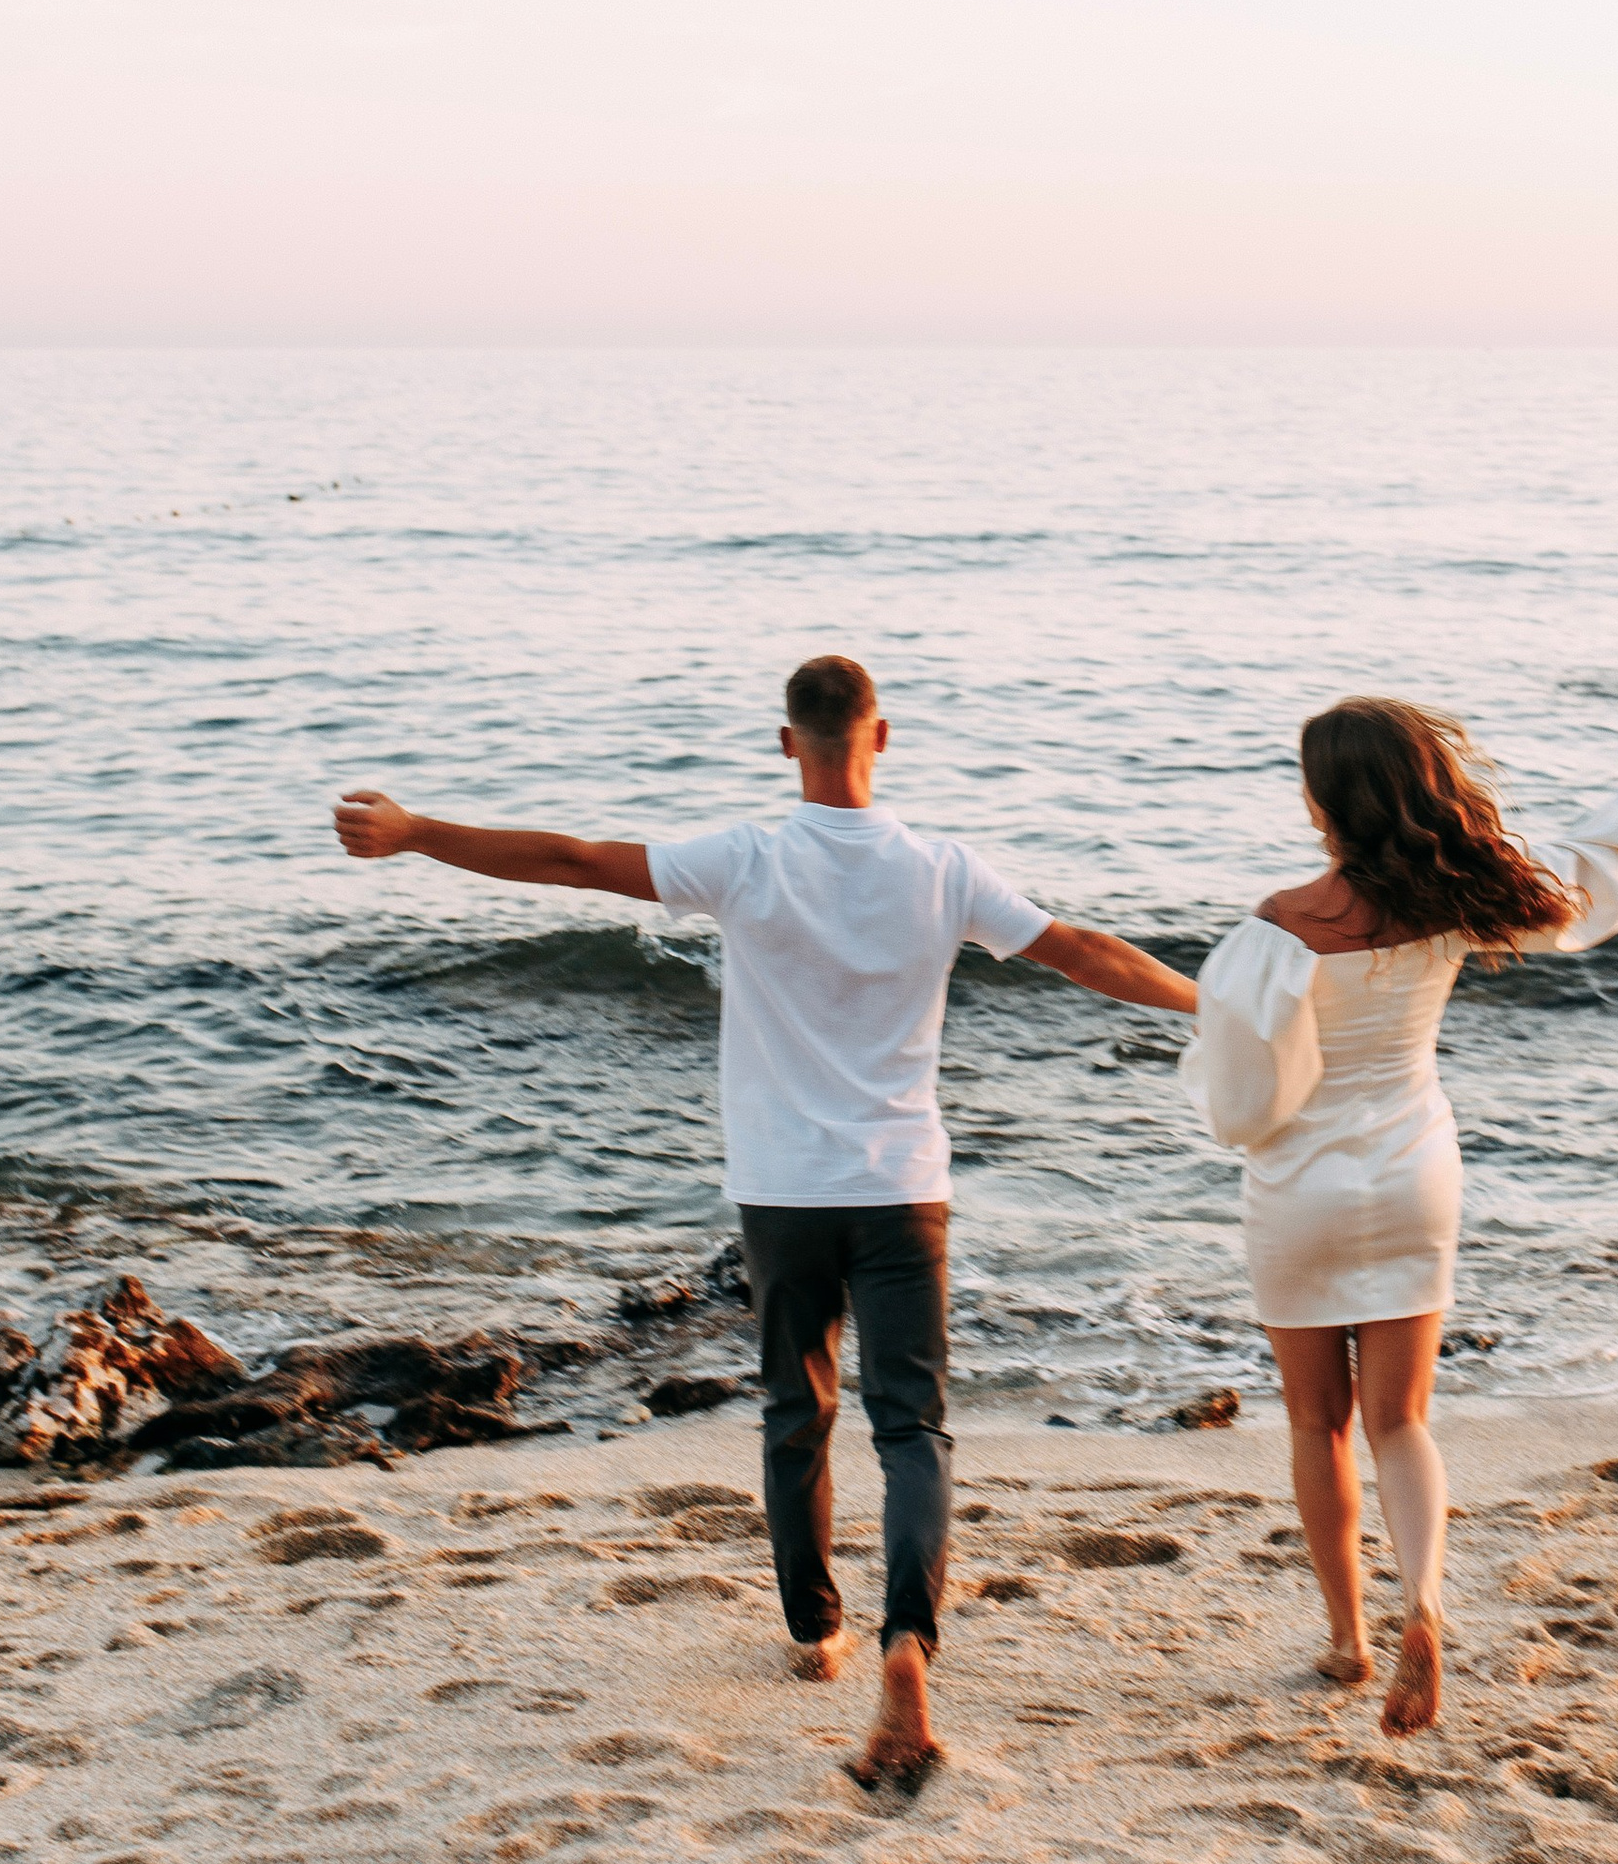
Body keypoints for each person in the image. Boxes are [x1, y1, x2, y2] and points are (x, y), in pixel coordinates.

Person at [331, 654, 1199, 1788]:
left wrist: (413, 830)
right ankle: (908, 1640)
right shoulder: (944, 870)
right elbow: (1083, 951)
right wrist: (1210, 1001)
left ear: (788, 742)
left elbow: (570, 860)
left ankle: (816, 1629)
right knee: (913, 1427)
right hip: (902, 1188)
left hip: (785, 1191)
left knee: (798, 1410)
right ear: (879, 737)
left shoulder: (743, 859)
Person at [1181, 701, 1618, 1737]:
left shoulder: (1277, 924)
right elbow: (1592, 883)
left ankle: (1349, 1639)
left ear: (1320, 799)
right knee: (1402, 1420)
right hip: (1416, 1171)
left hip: (1300, 1189)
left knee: (1318, 1423)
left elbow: (1239, 1099)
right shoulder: (1455, 899)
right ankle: (1428, 1607)